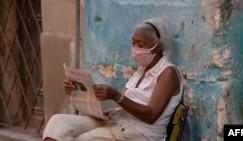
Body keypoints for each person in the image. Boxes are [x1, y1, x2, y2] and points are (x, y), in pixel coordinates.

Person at [43, 17, 184, 141]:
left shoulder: (168, 73)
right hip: (117, 122)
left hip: (140, 133)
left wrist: (116, 96)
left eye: (141, 44)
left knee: (79, 139)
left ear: (158, 47)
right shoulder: (141, 71)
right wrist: (79, 91)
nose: (135, 49)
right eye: (133, 43)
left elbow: (151, 115)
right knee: (58, 124)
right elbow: (120, 106)